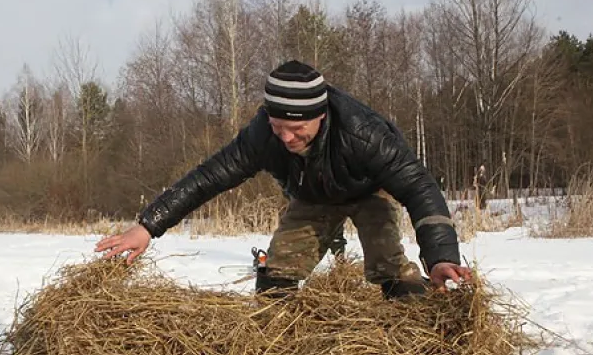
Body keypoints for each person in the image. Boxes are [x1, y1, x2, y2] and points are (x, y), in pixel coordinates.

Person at [95, 60, 472, 299]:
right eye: (278, 127)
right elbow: (208, 178)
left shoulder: (364, 134)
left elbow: (420, 187)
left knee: (391, 270)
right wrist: (148, 225)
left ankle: (410, 320)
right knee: (276, 277)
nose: (286, 138)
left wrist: (441, 258)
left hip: (366, 190)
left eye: (296, 128)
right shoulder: (262, 135)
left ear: (320, 116)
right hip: (310, 198)